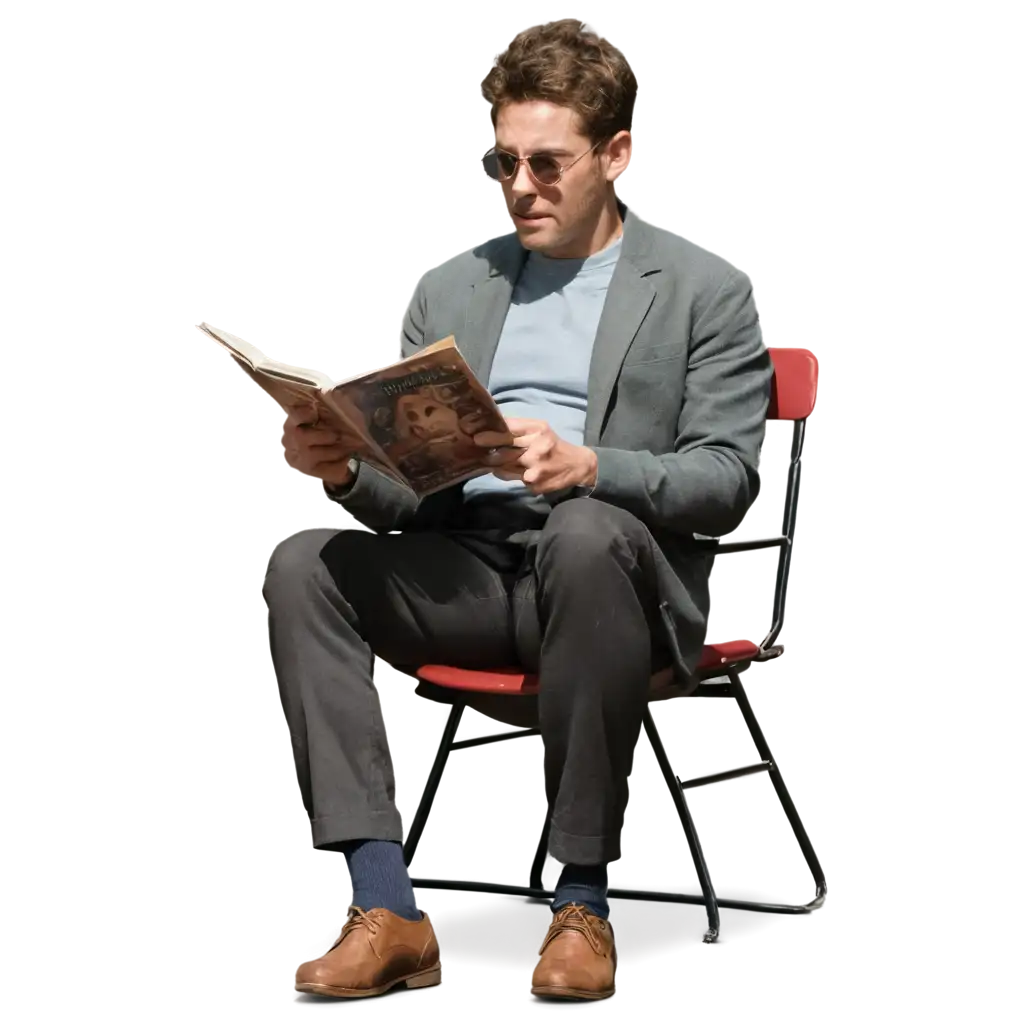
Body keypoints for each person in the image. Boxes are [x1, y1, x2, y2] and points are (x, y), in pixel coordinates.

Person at [260, 17, 773, 1003]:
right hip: (470, 564)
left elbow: (730, 476)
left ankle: (581, 902)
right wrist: (337, 471)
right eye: (503, 163)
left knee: (581, 534)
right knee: (301, 564)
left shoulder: (703, 288)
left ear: (615, 153)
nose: (522, 186)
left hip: (613, 575)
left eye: (548, 162)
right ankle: (387, 904)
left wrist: (592, 466)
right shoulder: (454, 285)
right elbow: (408, 498)